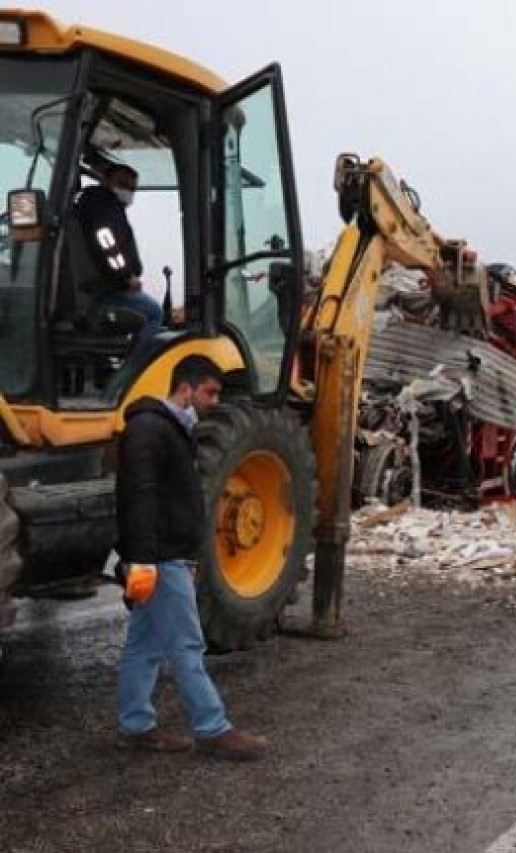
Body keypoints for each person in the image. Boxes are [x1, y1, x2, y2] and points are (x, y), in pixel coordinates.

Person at [115, 354, 267, 760]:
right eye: (209, 392)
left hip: (167, 555)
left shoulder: (174, 430)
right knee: (186, 644)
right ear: (185, 388)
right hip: (159, 558)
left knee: (145, 644)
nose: (215, 400)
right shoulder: (149, 430)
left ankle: (136, 724)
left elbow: (175, 500)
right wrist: (144, 560)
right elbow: (139, 498)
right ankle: (212, 728)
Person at [72, 162, 164, 338]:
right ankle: (139, 362)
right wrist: (126, 277)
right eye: (122, 184)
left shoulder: (97, 204)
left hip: (104, 287)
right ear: (105, 180)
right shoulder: (103, 205)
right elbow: (107, 244)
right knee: (154, 314)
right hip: (104, 291)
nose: (128, 191)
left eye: (132, 188)